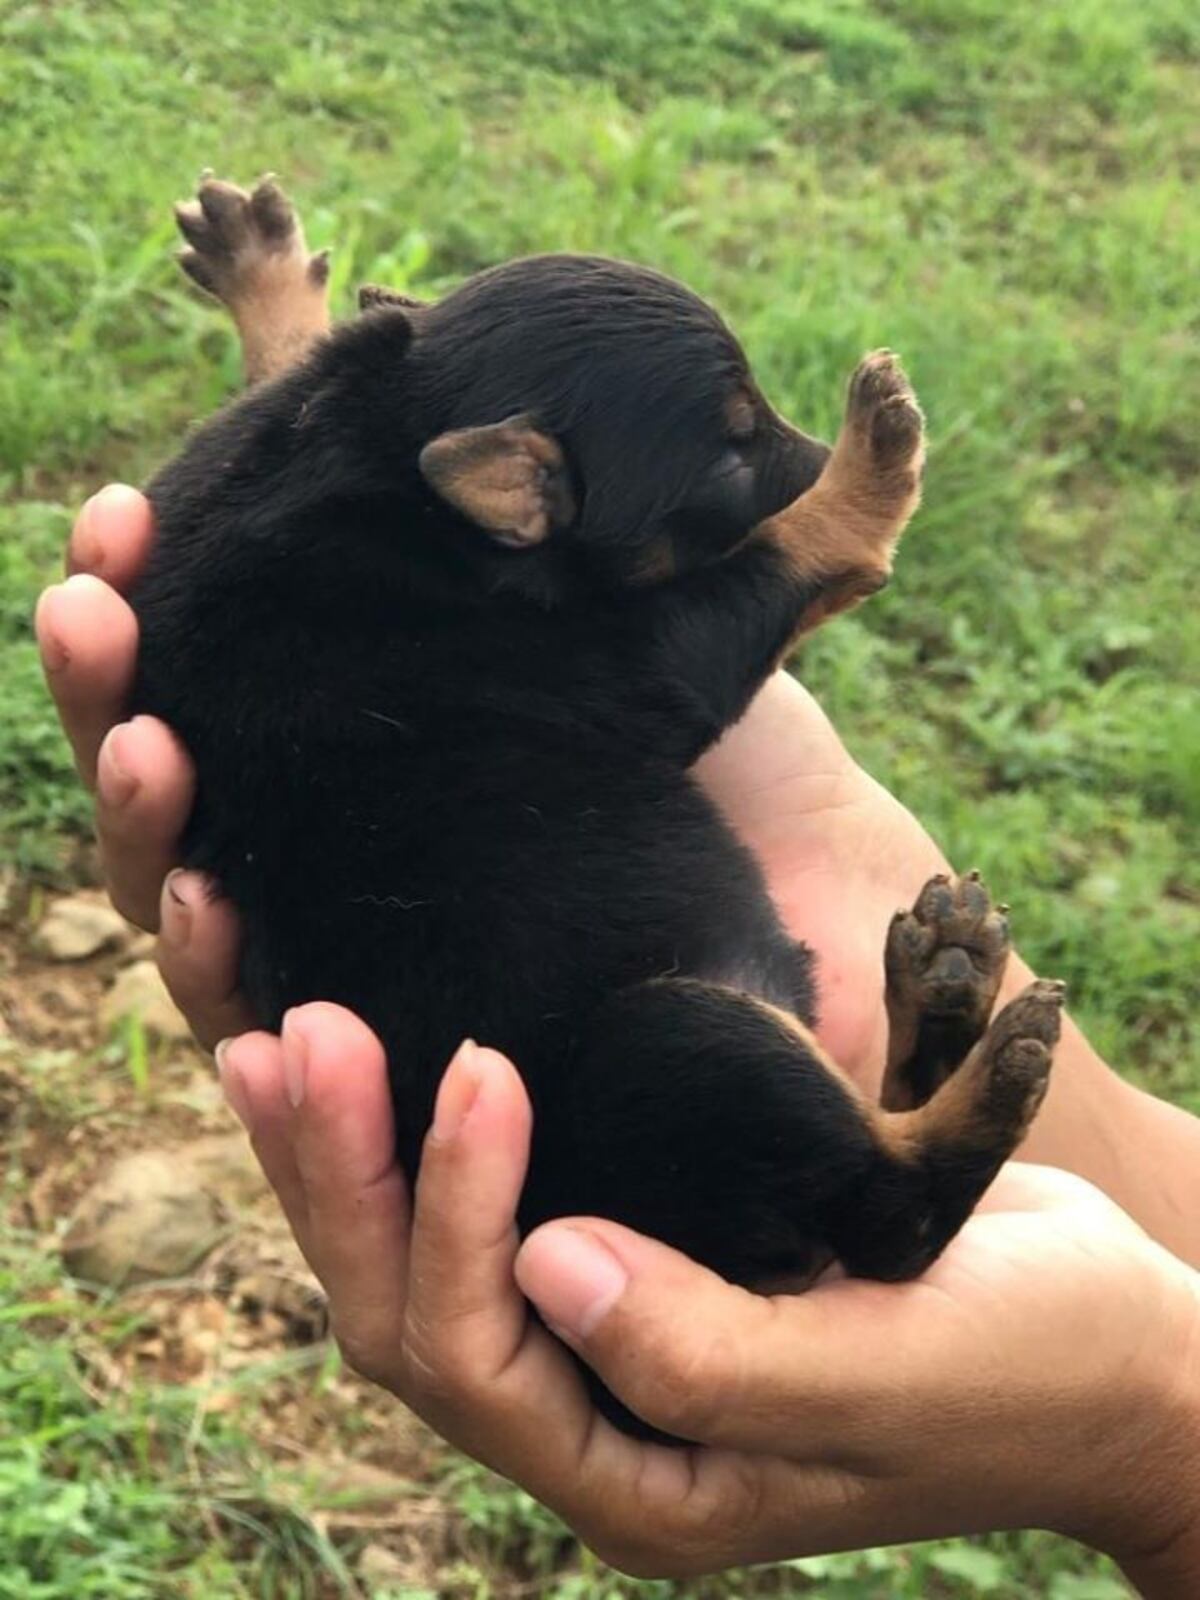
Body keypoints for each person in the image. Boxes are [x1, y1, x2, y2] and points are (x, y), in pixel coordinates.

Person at [36, 484, 1200, 1595]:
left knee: (682, 1056)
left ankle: (896, 1170)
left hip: (630, 1091)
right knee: (674, 1059)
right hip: (610, 1050)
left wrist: (1165, 1449)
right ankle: (888, 1131)